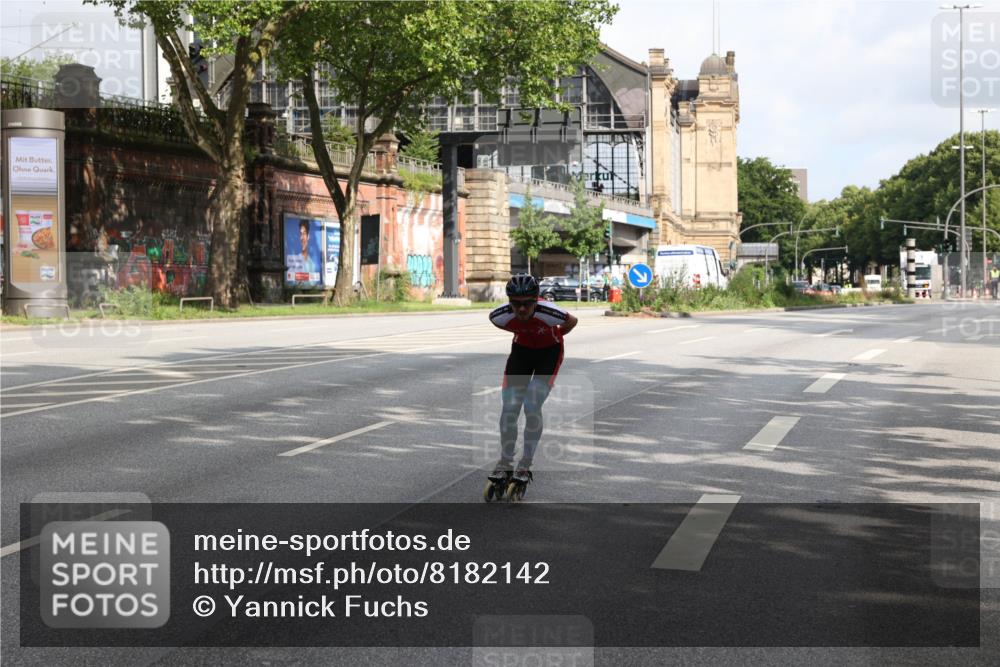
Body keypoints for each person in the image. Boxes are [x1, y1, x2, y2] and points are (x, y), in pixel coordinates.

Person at [488, 274, 578, 489]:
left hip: (549, 354)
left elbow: (572, 321)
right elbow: (508, 325)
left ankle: (525, 464)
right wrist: (527, 332)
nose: (521, 309)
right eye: (516, 304)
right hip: (522, 354)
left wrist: (553, 335)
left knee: (531, 405)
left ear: (536, 300)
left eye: (527, 304)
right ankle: (505, 462)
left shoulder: (549, 312)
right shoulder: (499, 316)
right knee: (509, 408)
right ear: (509, 301)